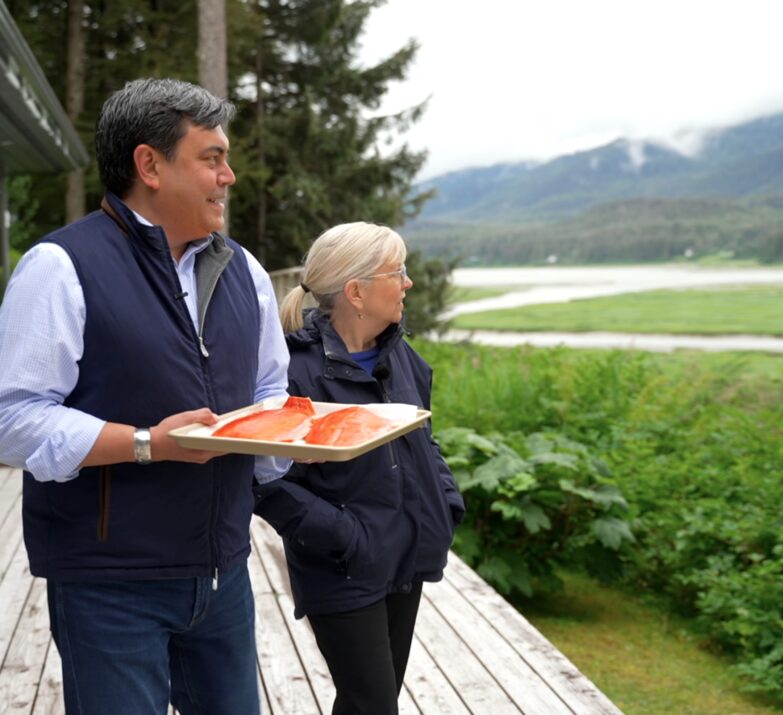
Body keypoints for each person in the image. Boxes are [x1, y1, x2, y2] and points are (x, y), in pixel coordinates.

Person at [0, 78, 291, 714]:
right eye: (211, 158)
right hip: (109, 585)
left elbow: (271, 389)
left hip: (223, 575)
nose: (229, 176)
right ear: (149, 165)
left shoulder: (247, 271)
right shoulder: (59, 266)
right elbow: (12, 418)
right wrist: (146, 445)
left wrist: (293, 440)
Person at [254, 222, 465, 715]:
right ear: (357, 292)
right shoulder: (291, 373)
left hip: (407, 555)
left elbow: (423, 441)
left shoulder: (404, 358)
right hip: (343, 567)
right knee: (373, 705)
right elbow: (267, 480)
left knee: (370, 702)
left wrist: (446, 503)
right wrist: (348, 536)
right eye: (399, 272)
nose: (408, 283)